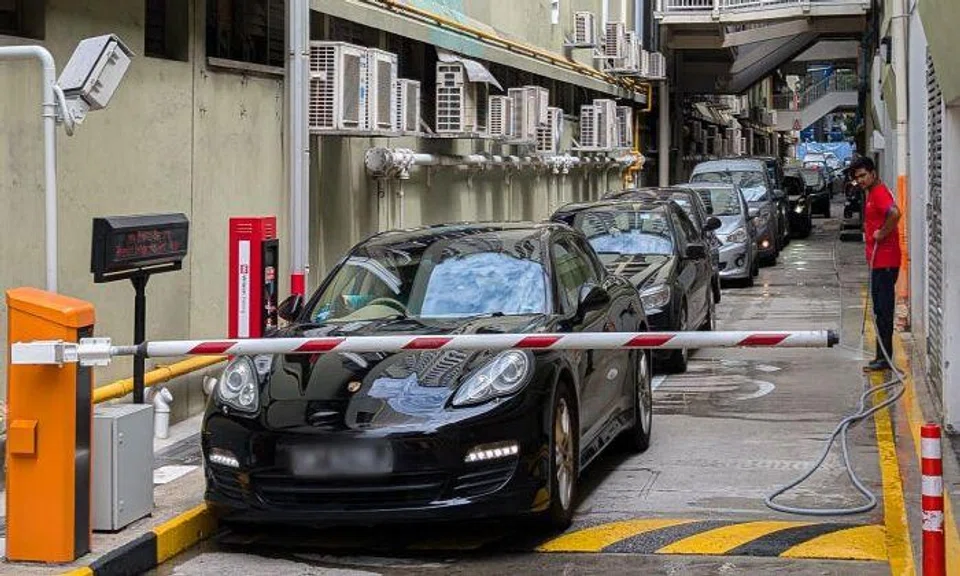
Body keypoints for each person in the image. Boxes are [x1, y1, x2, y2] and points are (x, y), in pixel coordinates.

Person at [850, 156, 901, 371]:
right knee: (880, 309)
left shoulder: (879, 193)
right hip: (879, 261)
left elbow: (895, 213)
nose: (860, 180)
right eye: (857, 177)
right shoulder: (872, 192)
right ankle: (882, 355)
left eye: (863, 175)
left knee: (884, 310)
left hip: (885, 262)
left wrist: (882, 233)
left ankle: (884, 358)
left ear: (873, 174)